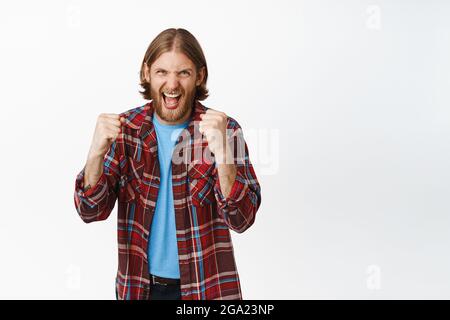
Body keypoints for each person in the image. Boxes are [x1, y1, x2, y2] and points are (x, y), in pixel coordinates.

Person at [74, 28, 261, 300]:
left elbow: (242, 219)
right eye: (162, 72)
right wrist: (94, 154)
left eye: (183, 73)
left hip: (206, 289)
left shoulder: (225, 130)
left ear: (200, 76)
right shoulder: (126, 130)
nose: (172, 84)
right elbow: (90, 211)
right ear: (147, 73)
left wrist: (223, 156)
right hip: (139, 288)